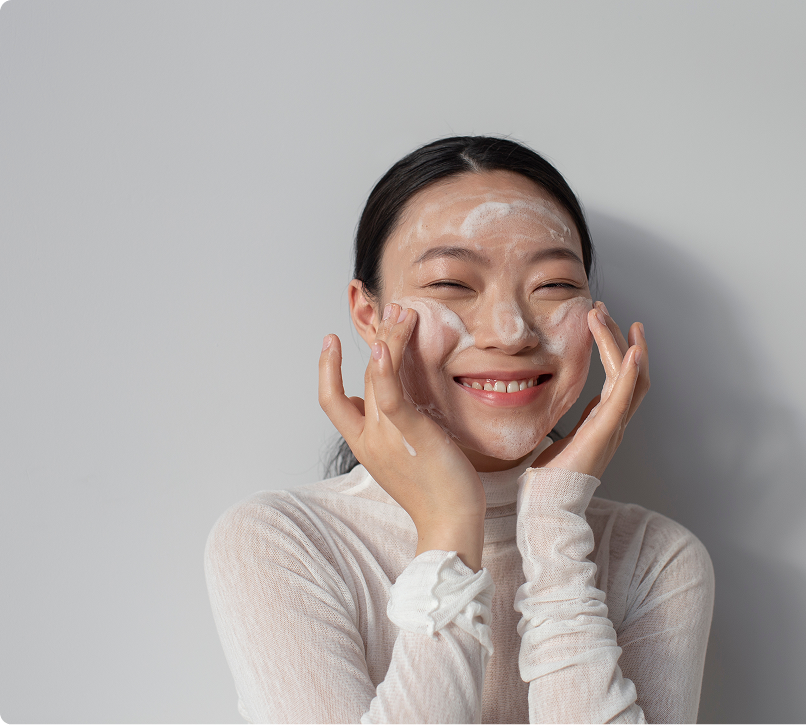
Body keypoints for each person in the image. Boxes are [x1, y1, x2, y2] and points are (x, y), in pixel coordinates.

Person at [205, 136, 714, 724]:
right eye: (451, 285)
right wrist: (448, 529)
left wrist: (553, 529)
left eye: (554, 286)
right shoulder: (281, 541)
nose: (511, 330)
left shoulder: (655, 560)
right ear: (369, 315)